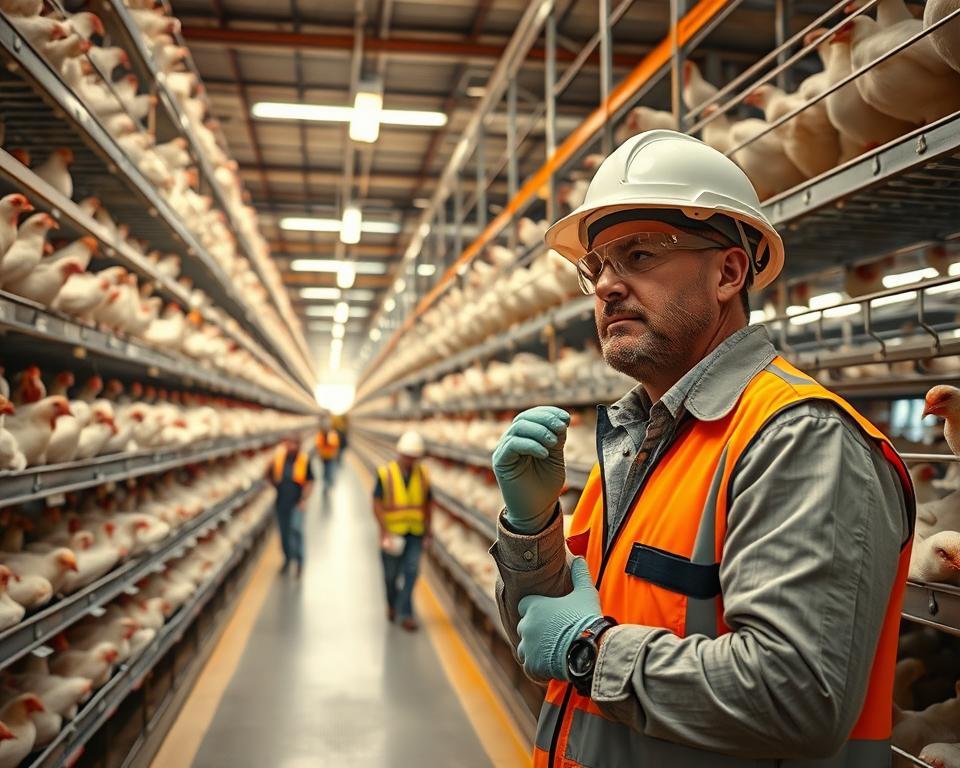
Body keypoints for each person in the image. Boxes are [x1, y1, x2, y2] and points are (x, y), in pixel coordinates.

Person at [490, 131, 915, 766]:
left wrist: (588, 650)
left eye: (638, 255)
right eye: (597, 266)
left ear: (728, 271)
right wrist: (533, 533)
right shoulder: (637, 437)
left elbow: (794, 697)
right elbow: (538, 636)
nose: (607, 286)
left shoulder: (798, 439)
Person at [373, 431, 433, 631]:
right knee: (390, 575)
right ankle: (392, 603)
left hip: (415, 532)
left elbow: (428, 503)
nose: (410, 460)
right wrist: (383, 530)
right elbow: (377, 503)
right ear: (399, 453)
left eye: (414, 457)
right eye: (408, 456)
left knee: (412, 572)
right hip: (393, 532)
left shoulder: (423, 475)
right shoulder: (386, 474)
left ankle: (406, 613)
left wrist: (428, 530)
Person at [270, 437, 313, 577]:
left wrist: (304, 500)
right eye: (289, 443)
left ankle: (299, 561)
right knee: (284, 534)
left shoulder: (304, 460)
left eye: (295, 443)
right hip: (281, 502)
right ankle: (287, 559)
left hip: (297, 503)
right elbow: (268, 474)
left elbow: (310, 481)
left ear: (299, 445)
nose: (292, 446)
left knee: (296, 530)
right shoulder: (278, 459)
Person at [315, 422, 342, 494]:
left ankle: (328, 483)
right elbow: (318, 445)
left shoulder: (332, 435)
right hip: (323, 457)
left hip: (331, 456)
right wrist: (319, 454)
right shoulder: (320, 435)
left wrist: (336, 454)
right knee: (325, 470)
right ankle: (326, 483)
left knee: (329, 470)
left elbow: (335, 445)